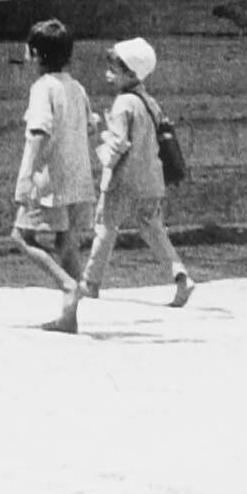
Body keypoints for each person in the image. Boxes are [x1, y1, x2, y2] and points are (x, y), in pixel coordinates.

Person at [51, 37, 192, 333]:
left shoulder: (123, 104)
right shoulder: (149, 101)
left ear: (129, 74)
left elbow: (118, 145)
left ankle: (90, 282)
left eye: (113, 71)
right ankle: (180, 274)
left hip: (123, 180)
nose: (108, 75)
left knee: (105, 227)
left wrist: (100, 146)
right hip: (151, 179)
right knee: (153, 229)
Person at [12, 19, 96, 314]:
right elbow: (90, 126)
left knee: (21, 236)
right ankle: (70, 314)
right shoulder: (76, 87)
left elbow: (39, 133)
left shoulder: (42, 88)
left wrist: (25, 177)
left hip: (50, 179)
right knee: (67, 243)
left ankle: (66, 283)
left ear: (36, 53)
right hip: (79, 176)